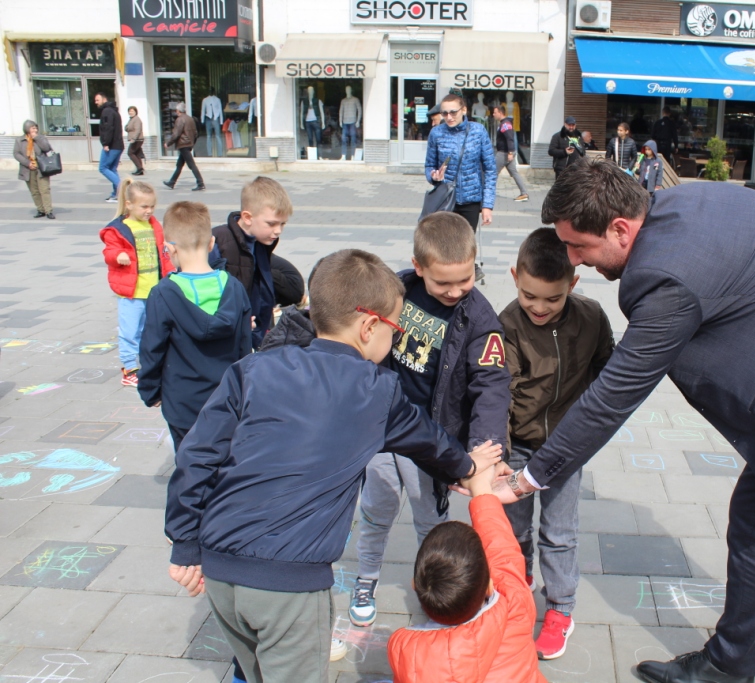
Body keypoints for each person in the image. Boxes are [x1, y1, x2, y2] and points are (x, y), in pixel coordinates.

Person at [491, 159, 755, 683]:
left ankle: (727, 666)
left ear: (620, 228)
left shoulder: (664, 278)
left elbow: (612, 398)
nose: (573, 259)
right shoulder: (673, 205)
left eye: (579, 246)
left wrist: (530, 478)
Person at [164, 248, 504, 683]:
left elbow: (196, 454)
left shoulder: (253, 367)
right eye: (395, 330)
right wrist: (469, 468)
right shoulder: (377, 390)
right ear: (368, 327)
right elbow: (430, 443)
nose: (394, 339)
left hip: (219, 573)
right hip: (288, 583)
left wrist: (185, 542)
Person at [350, 212, 510, 628]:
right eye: (443, 283)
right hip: (384, 428)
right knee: (375, 510)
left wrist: (485, 448)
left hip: (431, 440)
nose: (456, 291)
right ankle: (366, 578)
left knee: (431, 523)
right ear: (419, 267)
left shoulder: (480, 318)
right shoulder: (396, 291)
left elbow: (491, 386)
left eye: (466, 279)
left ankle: (435, 595)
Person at [499, 228, 614, 660]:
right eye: (529, 295)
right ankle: (518, 586)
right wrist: (498, 455)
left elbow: (607, 369)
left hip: (565, 448)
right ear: (515, 277)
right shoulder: (506, 325)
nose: (539, 307)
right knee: (513, 530)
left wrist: (588, 427)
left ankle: (561, 608)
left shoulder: (591, 317)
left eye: (554, 298)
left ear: (573, 284)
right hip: (517, 446)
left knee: (559, 532)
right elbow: (499, 394)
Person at [387, 460, 546, 683]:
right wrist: (481, 487)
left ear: (415, 585)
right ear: (489, 586)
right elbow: (500, 546)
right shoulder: (514, 605)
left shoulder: (405, 648)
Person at [137, 201, 252, 452]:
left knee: (189, 463)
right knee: (224, 461)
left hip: (181, 402)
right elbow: (245, 346)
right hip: (226, 398)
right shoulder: (234, 287)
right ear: (211, 244)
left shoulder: (163, 293)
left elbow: (152, 348)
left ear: (169, 249)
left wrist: (150, 390)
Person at [99, 179, 174, 387]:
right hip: (130, 293)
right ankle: (129, 369)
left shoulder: (153, 225)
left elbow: (162, 254)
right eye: (144, 206)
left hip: (153, 290)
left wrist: (170, 274)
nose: (149, 211)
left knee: (149, 330)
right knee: (130, 331)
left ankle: (147, 365)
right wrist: (118, 255)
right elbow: (109, 251)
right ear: (129, 204)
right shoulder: (118, 229)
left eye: (152, 206)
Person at [209, 176, 293, 349]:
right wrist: (237, 320)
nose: (278, 231)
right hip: (229, 336)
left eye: (283, 224)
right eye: (271, 224)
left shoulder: (261, 242)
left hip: (256, 333)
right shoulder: (218, 242)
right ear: (247, 217)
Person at [424, 93, 497, 284]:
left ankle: (465, 280)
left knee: (465, 244)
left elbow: (490, 169)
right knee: (444, 243)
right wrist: (433, 175)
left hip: (471, 199)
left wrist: (487, 205)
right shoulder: (436, 134)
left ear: (464, 110)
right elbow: (429, 165)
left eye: (453, 112)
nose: (449, 117)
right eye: (444, 113)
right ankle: (447, 281)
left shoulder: (478, 131)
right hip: (446, 198)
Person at [14, 120, 55, 219]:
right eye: (33, 128)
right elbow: (16, 153)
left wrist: (36, 138)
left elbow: (47, 148)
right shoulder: (20, 140)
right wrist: (27, 163)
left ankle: (48, 211)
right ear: (27, 129)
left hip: (42, 168)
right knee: (34, 191)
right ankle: (41, 210)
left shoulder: (40, 138)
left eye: (36, 128)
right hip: (28, 168)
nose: (35, 130)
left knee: (44, 190)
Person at [163, 103, 205, 192]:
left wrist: (168, 143)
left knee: (191, 165)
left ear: (178, 111)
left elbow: (176, 134)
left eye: (176, 110)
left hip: (183, 144)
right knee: (179, 165)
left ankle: (200, 183)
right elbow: (195, 133)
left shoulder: (180, 119)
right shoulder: (190, 119)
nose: (176, 112)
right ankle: (172, 182)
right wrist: (192, 143)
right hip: (188, 144)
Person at [492, 105, 529, 203]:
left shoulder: (505, 124)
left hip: (504, 153)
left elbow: (510, 138)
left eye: (495, 112)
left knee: (493, 172)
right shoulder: (504, 123)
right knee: (514, 173)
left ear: (500, 113)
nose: (493, 114)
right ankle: (524, 193)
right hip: (507, 153)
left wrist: (510, 153)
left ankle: (488, 193)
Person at [94, 92, 124, 202]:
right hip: (118, 145)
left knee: (103, 168)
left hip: (112, 145)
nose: (96, 102)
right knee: (112, 169)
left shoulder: (107, 111)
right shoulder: (113, 111)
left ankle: (122, 188)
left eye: (97, 100)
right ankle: (116, 194)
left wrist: (106, 143)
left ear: (104, 99)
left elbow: (108, 128)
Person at [125, 106, 146, 176]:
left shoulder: (136, 119)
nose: (130, 112)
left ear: (136, 112)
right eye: (129, 111)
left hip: (137, 139)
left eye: (132, 111)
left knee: (130, 153)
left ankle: (140, 168)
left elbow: (138, 130)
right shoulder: (131, 119)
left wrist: (134, 139)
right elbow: (127, 128)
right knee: (137, 154)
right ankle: (140, 170)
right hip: (136, 139)